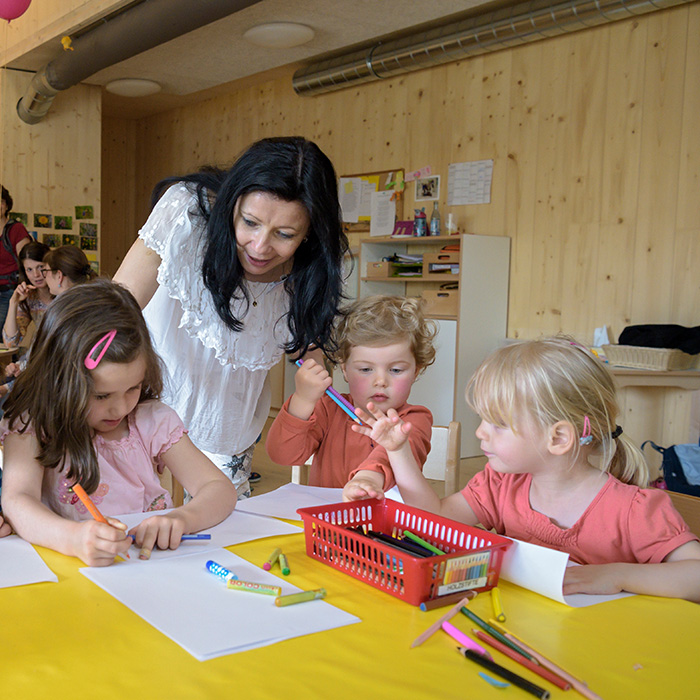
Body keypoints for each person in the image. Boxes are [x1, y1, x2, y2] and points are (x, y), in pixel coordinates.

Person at [354, 336, 700, 602]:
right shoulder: (500, 483)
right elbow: (435, 518)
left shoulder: (634, 510)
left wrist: (617, 576)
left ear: (559, 436)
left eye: (499, 423)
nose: (480, 432)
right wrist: (397, 451)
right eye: (483, 419)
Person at [114, 136, 348, 499]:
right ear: (232, 204)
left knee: (220, 532)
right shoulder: (187, 212)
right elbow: (115, 306)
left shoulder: (308, 272)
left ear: (309, 235)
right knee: (139, 530)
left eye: (284, 234)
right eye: (250, 222)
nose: (259, 246)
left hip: (226, 427)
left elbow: (314, 361)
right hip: (145, 408)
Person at [0, 279, 237, 567]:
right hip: (67, 572)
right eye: (101, 395)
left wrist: (182, 518)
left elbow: (218, 488)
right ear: (58, 382)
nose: (121, 408)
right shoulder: (32, 427)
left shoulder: (151, 420)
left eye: (133, 388)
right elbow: (17, 499)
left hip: (149, 570)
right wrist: (73, 538)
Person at [266, 295, 436, 501]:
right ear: (345, 370)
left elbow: (393, 453)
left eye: (396, 369)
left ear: (416, 371)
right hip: (325, 524)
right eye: (365, 369)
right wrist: (303, 400)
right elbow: (282, 455)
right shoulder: (328, 409)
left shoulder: (414, 419)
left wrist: (368, 479)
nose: (380, 380)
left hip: (385, 530)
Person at [2, 241, 53, 349]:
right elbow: (10, 342)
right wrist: (14, 303)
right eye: (29, 269)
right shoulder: (29, 297)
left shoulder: (65, 293)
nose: (36, 275)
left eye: (40, 267)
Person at [0, 186, 32, 330]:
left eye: (0, 201)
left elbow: (27, 260)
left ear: (6, 205)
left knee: (3, 337)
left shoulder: (16, 229)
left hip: (8, 292)